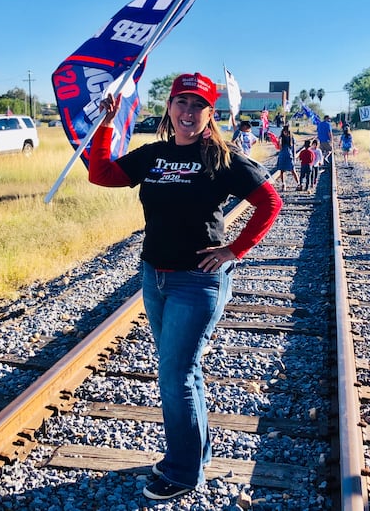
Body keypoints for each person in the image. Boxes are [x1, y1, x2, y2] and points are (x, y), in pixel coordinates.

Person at [88, 72, 283, 501]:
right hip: (154, 276)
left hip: (197, 282)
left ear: (209, 113)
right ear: (169, 107)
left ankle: (181, 471)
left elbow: (270, 201)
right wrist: (107, 124)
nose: (188, 113)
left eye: (198, 105)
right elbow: (101, 174)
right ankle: (197, 454)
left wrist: (235, 250)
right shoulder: (155, 154)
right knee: (183, 372)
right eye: (181, 103)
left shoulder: (221, 157)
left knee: (175, 375)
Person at [276, 125, 300, 191]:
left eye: (287, 132)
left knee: (293, 170)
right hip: (282, 155)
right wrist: (280, 142)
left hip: (289, 155)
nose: (286, 133)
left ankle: (298, 183)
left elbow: (294, 149)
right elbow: (280, 148)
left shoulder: (292, 138)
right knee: (282, 170)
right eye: (285, 132)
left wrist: (294, 157)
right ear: (283, 131)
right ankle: (283, 184)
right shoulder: (281, 138)